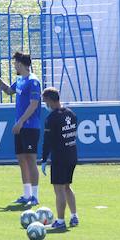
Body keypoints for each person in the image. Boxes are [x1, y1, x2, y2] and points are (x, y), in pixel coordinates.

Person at [0, 52, 43, 206]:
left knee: (31, 160)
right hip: (20, 126)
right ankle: (26, 195)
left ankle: (35, 196)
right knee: (21, 159)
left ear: (20, 63)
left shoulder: (33, 81)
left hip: (30, 127)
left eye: (14, 63)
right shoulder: (20, 80)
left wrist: (20, 122)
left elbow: (34, 104)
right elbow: (8, 91)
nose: (14, 66)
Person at [39, 87, 79, 231]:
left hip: (60, 157)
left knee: (59, 189)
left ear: (50, 100)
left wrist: (44, 159)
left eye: (45, 101)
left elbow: (47, 141)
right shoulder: (71, 114)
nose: (45, 104)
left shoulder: (51, 119)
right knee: (67, 186)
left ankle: (60, 220)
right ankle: (74, 216)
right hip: (72, 154)